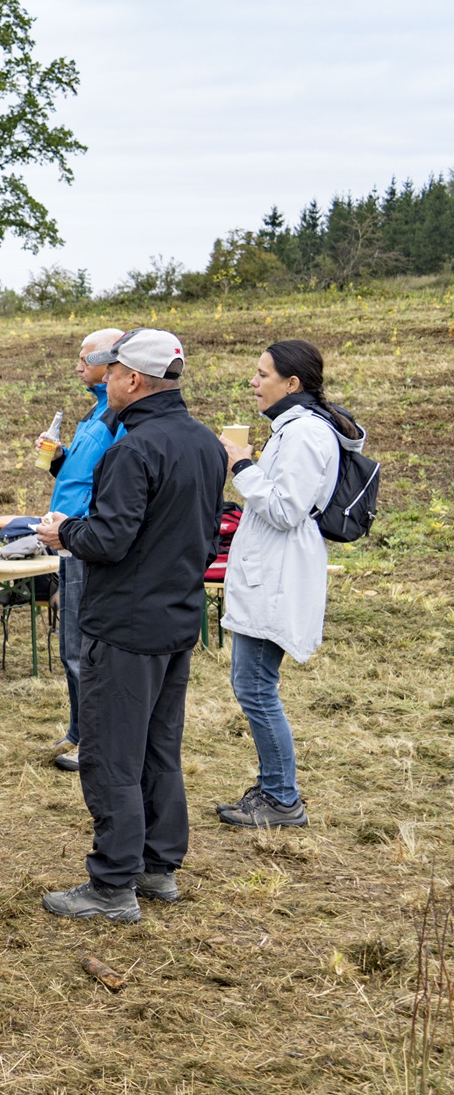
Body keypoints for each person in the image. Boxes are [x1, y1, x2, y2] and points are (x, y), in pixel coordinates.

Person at [34, 329, 226, 922]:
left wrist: (62, 531)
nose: (105, 381)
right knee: (158, 747)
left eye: (112, 372)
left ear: (133, 380)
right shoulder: (207, 445)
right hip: (176, 619)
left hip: (125, 626)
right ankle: (157, 866)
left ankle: (113, 882)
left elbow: (111, 539)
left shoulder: (133, 450)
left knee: (113, 753)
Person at [214, 340, 367, 829]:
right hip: (272, 573)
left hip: (278, 578)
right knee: (253, 684)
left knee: (256, 687)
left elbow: (285, 508)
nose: (254, 384)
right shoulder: (294, 430)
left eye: (262, 375)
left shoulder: (304, 434)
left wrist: (241, 465)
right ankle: (273, 787)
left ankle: (282, 798)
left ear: (292, 384)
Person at [43, 328, 126, 773]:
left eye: (83, 359)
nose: (76, 366)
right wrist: (59, 458)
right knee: (69, 646)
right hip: (68, 537)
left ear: (107, 360)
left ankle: (90, 740)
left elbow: (112, 480)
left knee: (79, 648)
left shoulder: (119, 416)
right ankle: (78, 729)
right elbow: (84, 470)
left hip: (85, 540)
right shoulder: (98, 411)